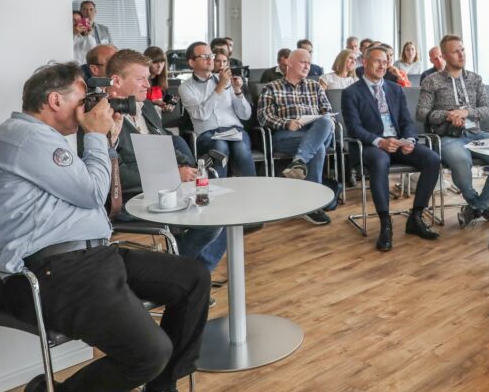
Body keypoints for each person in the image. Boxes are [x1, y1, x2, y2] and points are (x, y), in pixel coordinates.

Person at [0, 61, 209, 392]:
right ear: (55, 100)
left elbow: (98, 197)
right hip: (50, 272)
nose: (93, 105)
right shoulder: (25, 137)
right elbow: (91, 191)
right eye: (83, 97)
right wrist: (98, 138)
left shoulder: (50, 141)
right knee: (149, 351)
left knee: (192, 277)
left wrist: (108, 142)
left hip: (93, 256)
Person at [105, 49, 227, 272]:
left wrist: (188, 166)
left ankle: (193, 275)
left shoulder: (146, 107)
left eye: (147, 78)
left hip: (164, 190)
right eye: (140, 78)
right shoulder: (100, 117)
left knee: (220, 211)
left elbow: (166, 142)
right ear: (116, 81)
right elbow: (115, 174)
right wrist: (171, 176)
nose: (147, 84)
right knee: (212, 219)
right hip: (129, 198)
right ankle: (187, 275)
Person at [341, 45, 442, 250]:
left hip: (398, 141)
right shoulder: (351, 92)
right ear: (365, 63)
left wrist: (409, 141)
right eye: (378, 61)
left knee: (432, 159)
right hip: (371, 145)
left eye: (385, 61)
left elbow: (406, 122)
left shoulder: (395, 89)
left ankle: (415, 217)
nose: (382, 65)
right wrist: (380, 142)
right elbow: (354, 129)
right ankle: (385, 224)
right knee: (380, 161)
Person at [416, 34, 489, 227]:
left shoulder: (475, 79)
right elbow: (421, 113)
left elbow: (486, 110)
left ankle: (477, 206)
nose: (461, 55)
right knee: (461, 161)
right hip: (447, 137)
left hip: (476, 134)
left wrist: (465, 112)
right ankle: (481, 206)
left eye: (463, 50)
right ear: (444, 55)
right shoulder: (431, 81)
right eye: (455, 51)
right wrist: (448, 114)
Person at [257, 47, 335, 225]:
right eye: (303, 62)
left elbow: (328, 112)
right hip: (287, 135)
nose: (307, 66)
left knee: (324, 121)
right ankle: (314, 205)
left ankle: (298, 163)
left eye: (309, 62)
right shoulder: (272, 87)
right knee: (319, 148)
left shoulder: (314, 86)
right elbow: (264, 117)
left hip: (316, 131)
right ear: (289, 63)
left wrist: (320, 120)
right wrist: (287, 123)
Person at [179, 42, 256, 178]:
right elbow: (201, 114)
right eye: (204, 56)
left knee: (241, 148)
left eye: (211, 55)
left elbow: (245, 115)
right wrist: (220, 87)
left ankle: (252, 189)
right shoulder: (186, 87)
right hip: (207, 133)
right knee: (220, 147)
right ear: (191, 62)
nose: (210, 59)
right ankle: (217, 191)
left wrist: (238, 91)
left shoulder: (225, 80)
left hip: (234, 129)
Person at [144, 46, 176, 113]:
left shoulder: (162, 82)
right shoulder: (141, 82)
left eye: (162, 62)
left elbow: (163, 105)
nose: (159, 66)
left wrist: (166, 107)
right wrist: (152, 103)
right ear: (147, 63)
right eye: (155, 62)